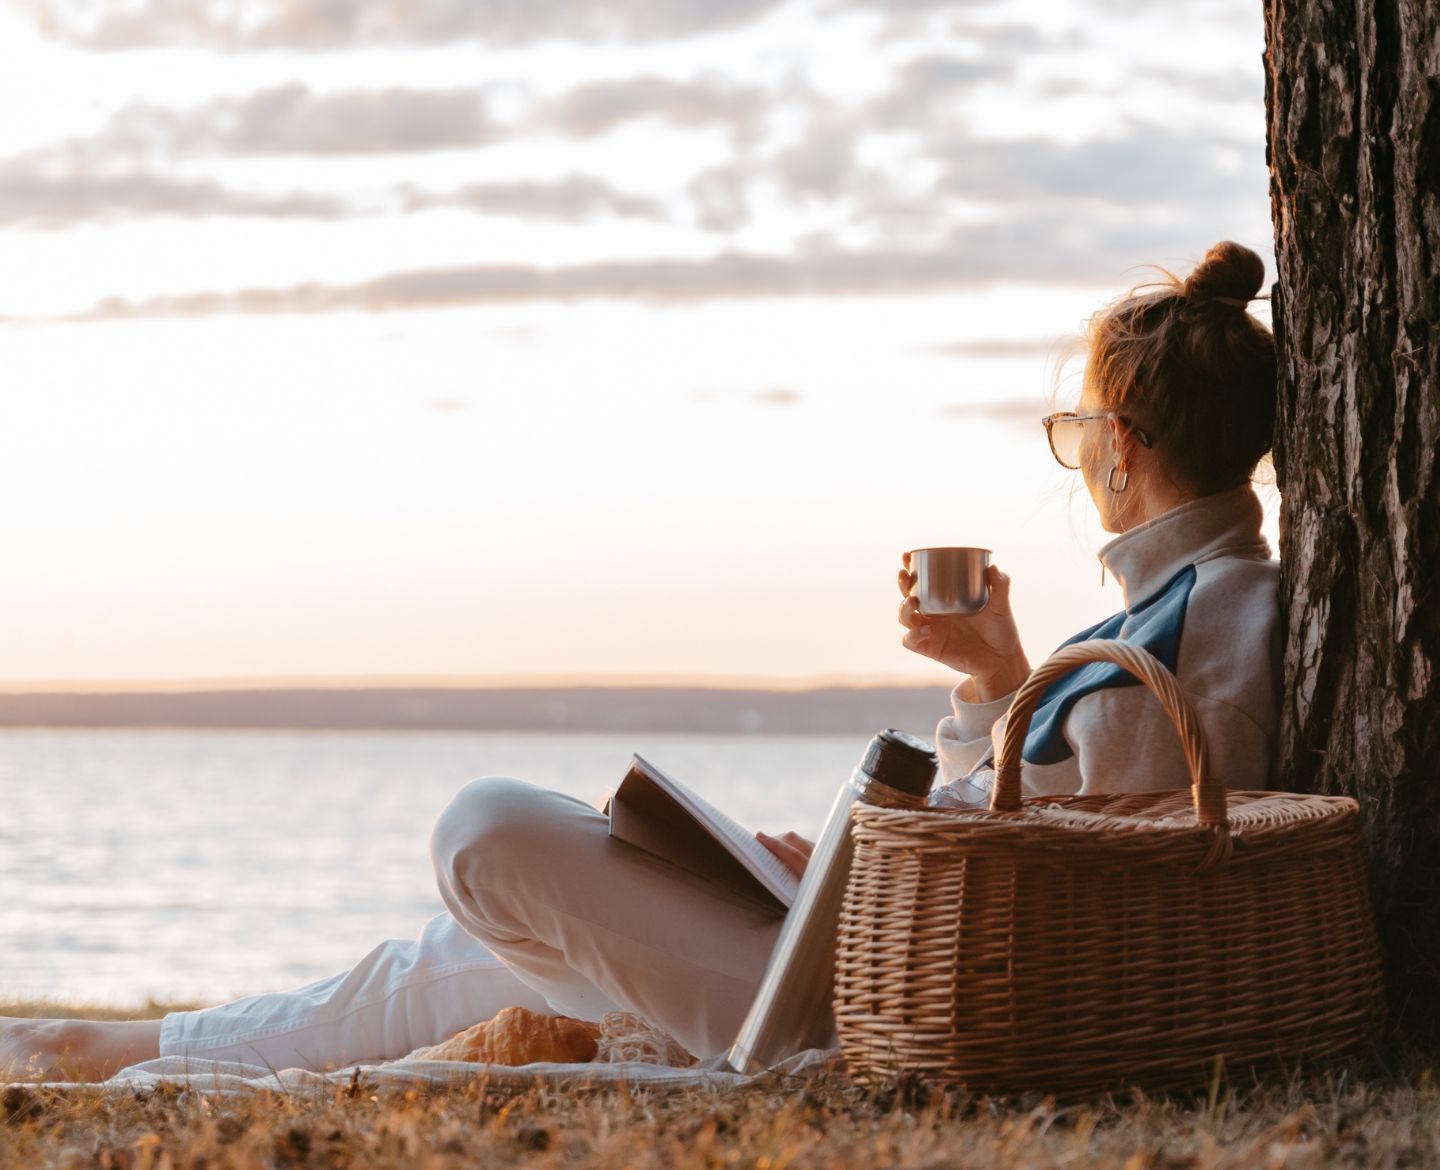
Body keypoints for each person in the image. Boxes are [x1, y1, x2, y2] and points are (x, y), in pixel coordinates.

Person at [0, 240, 1281, 1083]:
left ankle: (150, 1050)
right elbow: (1041, 821)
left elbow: (1058, 871)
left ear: (1120, 443)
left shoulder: (1181, 636)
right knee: (479, 942)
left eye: (1073, 437)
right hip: (876, 958)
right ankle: (140, 1045)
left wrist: (862, 862)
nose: (1077, 464)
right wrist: (986, 682)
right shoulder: (1198, 611)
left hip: (880, 1018)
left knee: (488, 830)